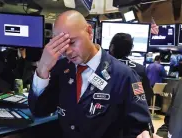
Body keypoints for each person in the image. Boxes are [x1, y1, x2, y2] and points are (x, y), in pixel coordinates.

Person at [28, 10, 161, 138]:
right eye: (61, 45)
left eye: (72, 42)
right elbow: (39, 110)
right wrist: (42, 68)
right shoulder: (61, 69)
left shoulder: (123, 75)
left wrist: (143, 134)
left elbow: (140, 126)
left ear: (89, 32)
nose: (67, 51)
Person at [109, 33, 154, 105]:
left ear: (112, 47)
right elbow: (145, 95)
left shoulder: (102, 67)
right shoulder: (138, 70)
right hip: (131, 113)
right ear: (130, 50)